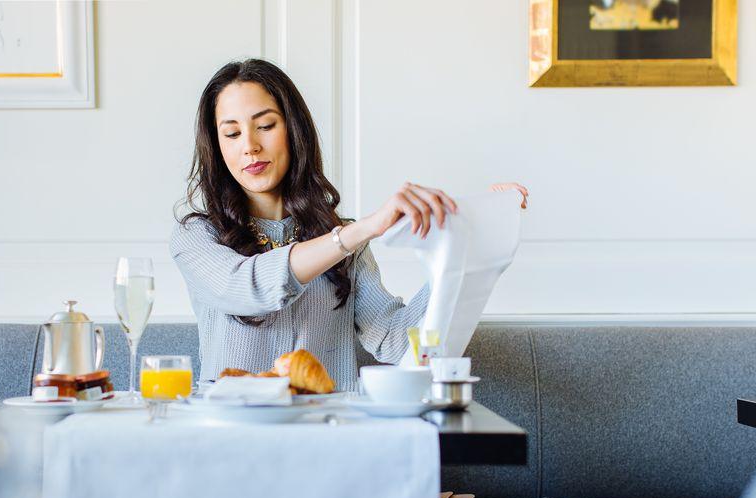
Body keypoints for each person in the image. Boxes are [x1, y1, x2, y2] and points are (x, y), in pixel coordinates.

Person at [171, 58, 528, 391]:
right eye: (231, 134)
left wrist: (470, 236)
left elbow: (394, 339)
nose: (250, 146)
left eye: (265, 125)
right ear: (216, 148)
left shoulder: (343, 239)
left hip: (328, 436)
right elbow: (249, 289)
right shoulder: (196, 237)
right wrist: (358, 232)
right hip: (233, 442)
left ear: (293, 132)